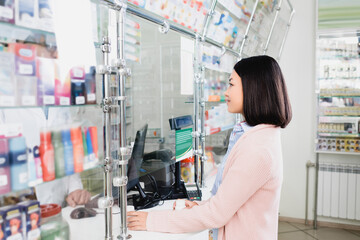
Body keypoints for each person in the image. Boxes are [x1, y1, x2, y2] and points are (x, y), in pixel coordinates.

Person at [127, 55, 292, 240]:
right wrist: (203, 206)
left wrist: (151, 221)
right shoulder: (259, 135)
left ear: (253, 88)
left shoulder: (257, 149)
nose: (226, 93)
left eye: (231, 84)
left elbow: (217, 214)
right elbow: (232, 201)